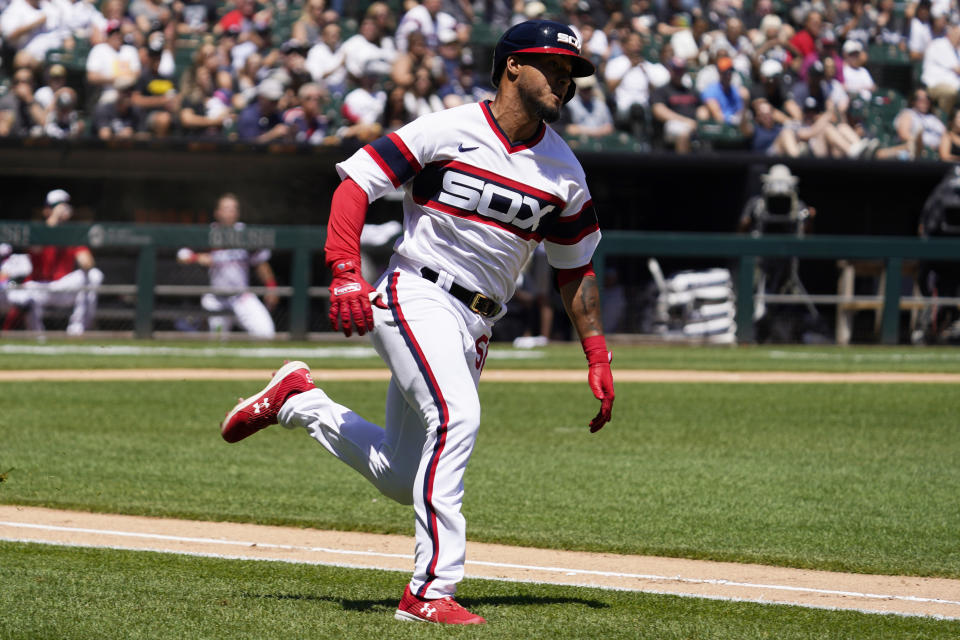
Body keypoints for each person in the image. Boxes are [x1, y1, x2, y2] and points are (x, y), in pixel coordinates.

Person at [218, 19, 614, 626]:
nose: (564, 80)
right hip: (417, 291)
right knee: (456, 419)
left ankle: (299, 401)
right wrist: (346, 271)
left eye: (571, 72)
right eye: (552, 67)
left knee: (403, 476)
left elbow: (575, 268)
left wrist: (596, 353)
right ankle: (429, 591)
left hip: (478, 323)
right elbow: (356, 183)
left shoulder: (564, 171)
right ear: (511, 66)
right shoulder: (448, 127)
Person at [176, 192, 277, 338]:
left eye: (234, 208)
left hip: (241, 296)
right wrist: (197, 257)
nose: (231, 212)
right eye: (226, 208)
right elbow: (181, 255)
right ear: (217, 212)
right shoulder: (209, 233)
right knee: (218, 341)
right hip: (216, 299)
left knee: (266, 334)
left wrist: (271, 287)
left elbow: (260, 262)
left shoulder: (246, 234)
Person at [5, 189, 104, 335]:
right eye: (57, 206)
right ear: (47, 210)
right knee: (25, 293)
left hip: (63, 287)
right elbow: (36, 248)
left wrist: (79, 237)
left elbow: (87, 264)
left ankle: (77, 330)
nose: (62, 210)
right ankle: (37, 335)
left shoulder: (72, 234)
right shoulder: (37, 230)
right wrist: (54, 218)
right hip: (40, 286)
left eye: (64, 206)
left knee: (95, 275)